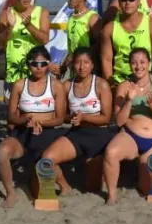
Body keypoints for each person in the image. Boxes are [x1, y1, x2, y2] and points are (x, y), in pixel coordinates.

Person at [0, 46, 67, 208]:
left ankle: (62, 185)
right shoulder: (20, 85)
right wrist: (25, 119)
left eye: (43, 63)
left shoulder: (56, 86)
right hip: (23, 131)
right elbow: (11, 116)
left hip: (46, 133)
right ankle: (11, 193)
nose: (39, 68)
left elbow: (60, 119)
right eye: (35, 64)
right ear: (28, 64)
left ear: (48, 64)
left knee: (43, 196)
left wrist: (41, 123)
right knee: (1, 153)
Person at [41, 47, 114, 194]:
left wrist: (84, 117)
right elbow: (62, 116)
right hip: (77, 133)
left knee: (92, 188)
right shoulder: (67, 85)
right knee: (47, 159)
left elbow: (106, 118)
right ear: (72, 65)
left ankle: (96, 163)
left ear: (92, 65)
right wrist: (73, 118)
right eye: (78, 63)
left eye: (86, 62)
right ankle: (64, 187)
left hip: (98, 134)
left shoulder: (101, 85)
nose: (81, 67)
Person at [103, 48, 152, 205]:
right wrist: (129, 101)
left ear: (149, 63)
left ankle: (142, 173)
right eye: (134, 63)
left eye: (142, 62)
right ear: (129, 65)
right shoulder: (124, 87)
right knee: (111, 152)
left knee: (148, 190)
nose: (138, 66)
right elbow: (119, 121)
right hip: (131, 136)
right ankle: (111, 196)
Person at [101, 0, 152, 87]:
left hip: (146, 82)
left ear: (139, 1)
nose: (127, 3)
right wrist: (111, 84)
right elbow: (106, 59)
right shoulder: (110, 28)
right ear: (119, 2)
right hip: (120, 81)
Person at [0, 0, 50, 85]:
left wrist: (29, 25)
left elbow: (44, 40)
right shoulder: (6, 14)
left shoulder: (41, 12)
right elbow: (1, 45)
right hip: (14, 72)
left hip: (36, 73)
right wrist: (9, 28)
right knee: (12, 102)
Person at [55, 0, 100, 78]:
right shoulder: (71, 17)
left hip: (87, 68)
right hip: (74, 68)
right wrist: (64, 65)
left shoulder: (92, 17)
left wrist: (77, 55)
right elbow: (71, 46)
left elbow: (99, 44)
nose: (68, 0)